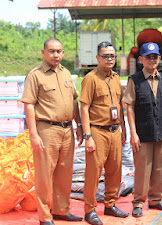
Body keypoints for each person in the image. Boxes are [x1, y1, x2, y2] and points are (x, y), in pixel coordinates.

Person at [21, 37, 83, 225]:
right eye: (51, 51)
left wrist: (78, 125)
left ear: (63, 53)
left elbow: (74, 101)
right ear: (43, 53)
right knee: (44, 176)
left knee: (64, 174)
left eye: (59, 51)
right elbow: (29, 105)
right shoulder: (35, 75)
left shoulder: (66, 74)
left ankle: (61, 211)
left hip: (67, 130)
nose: (55, 54)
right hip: (46, 130)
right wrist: (33, 134)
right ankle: (45, 217)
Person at [122, 42, 162, 217]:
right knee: (143, 169)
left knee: (159, 168)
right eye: (148, 57)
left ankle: (155, 200)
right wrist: (133, 134)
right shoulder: (135, 80)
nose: (152, 60)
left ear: (159, 58)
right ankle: (138, 202)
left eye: (155, 57)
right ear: (141, 59)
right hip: (142, 132)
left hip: (161, 131)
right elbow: (129, 107)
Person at [80, 41, 129, 225]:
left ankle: (110, 204)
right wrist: (88, 136)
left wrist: (123, 129)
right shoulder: (90, 78)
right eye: (106, 55)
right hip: (97, 131)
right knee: (93, 172)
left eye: (112, 56)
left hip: (115, 130)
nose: (109, 59)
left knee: (115, 170)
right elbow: (84, 108)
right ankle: (89, 210)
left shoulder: (116, 77)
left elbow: (120, 107)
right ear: (97, 58)